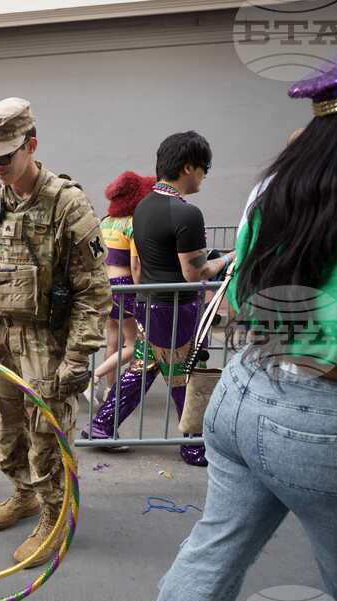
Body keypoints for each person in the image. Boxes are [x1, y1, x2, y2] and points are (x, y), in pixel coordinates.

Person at [132, 2, 337, 601]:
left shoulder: (282, 192)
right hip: (336, 425)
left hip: (243, 392)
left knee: (206, 561)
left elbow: (238, 302)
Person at [0, 97, 111, 567]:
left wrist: (79, 355)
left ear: (32, 145)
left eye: (7, 155)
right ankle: (23, 493)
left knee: (47, 430)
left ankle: (53, 512)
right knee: (8, 429)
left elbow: (93, 288)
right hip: (2, 339)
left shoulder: (67, 204)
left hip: (48, 339)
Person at [83, 132, 233, 467]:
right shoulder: (186, 213)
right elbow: (195, 273)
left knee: (145, 368)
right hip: (175, 308)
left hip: (149, 304)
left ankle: (102, 425)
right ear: (189, 167)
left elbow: (143, 264)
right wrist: (228, 259)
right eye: (204, 168)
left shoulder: (144, 208)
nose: (205, 175)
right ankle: (193, 443)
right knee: (185, 375)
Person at [86, 172, 154, 418]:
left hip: (105, 285)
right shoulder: (134, 223)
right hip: (125, 285)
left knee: (112, 338)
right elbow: (136, 266)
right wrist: (141, 291)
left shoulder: (105, 222)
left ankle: (110, 391)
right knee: (134, 344)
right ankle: (95, 376)